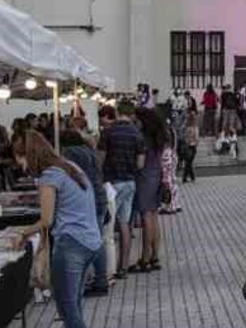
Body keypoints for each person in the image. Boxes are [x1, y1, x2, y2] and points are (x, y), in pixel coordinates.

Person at [12, 131, 103, 328]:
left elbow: (46, 219)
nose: (19, 165)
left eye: (19, 158)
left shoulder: (49, 176)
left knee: (68, 308)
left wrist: (22, 233)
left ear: (28, 156)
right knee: (74, 303)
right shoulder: (69, 166)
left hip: (72, 244)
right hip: (91, 241)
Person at [59, 130, 111, 297]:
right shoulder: (89, 150)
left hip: (89, 200)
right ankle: (101, 279)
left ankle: (92, 280)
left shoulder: (70, 153)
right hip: (100, 196)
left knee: (91, 241)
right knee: (98, 239)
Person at [98, 103, 143, 279]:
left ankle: (108, 270)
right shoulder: (137, 134)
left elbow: (99, 159)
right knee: (124, 223)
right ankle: (123, 266)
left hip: (111, 183)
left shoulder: (108, 132)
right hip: (130, 182)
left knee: (107, 228)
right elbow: (140, 163)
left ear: (117, 113)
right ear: (131, 114)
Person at [130, 108, 167, 272]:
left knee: (146, 218)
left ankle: (144, 258)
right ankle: (155, 256)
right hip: (157, 176)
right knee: (153, 217)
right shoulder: (159, 136)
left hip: (145, 178)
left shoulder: (143, 138)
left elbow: (140, 163)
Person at [181, 110, 199, 183]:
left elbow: (183, 136)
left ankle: (190, 177)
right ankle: (188, 177)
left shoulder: (185, 127)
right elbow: (197, 138)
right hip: (192, 146)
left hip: (186, 146)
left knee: (188, 162)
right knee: (189, 163)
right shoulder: (194, 128)